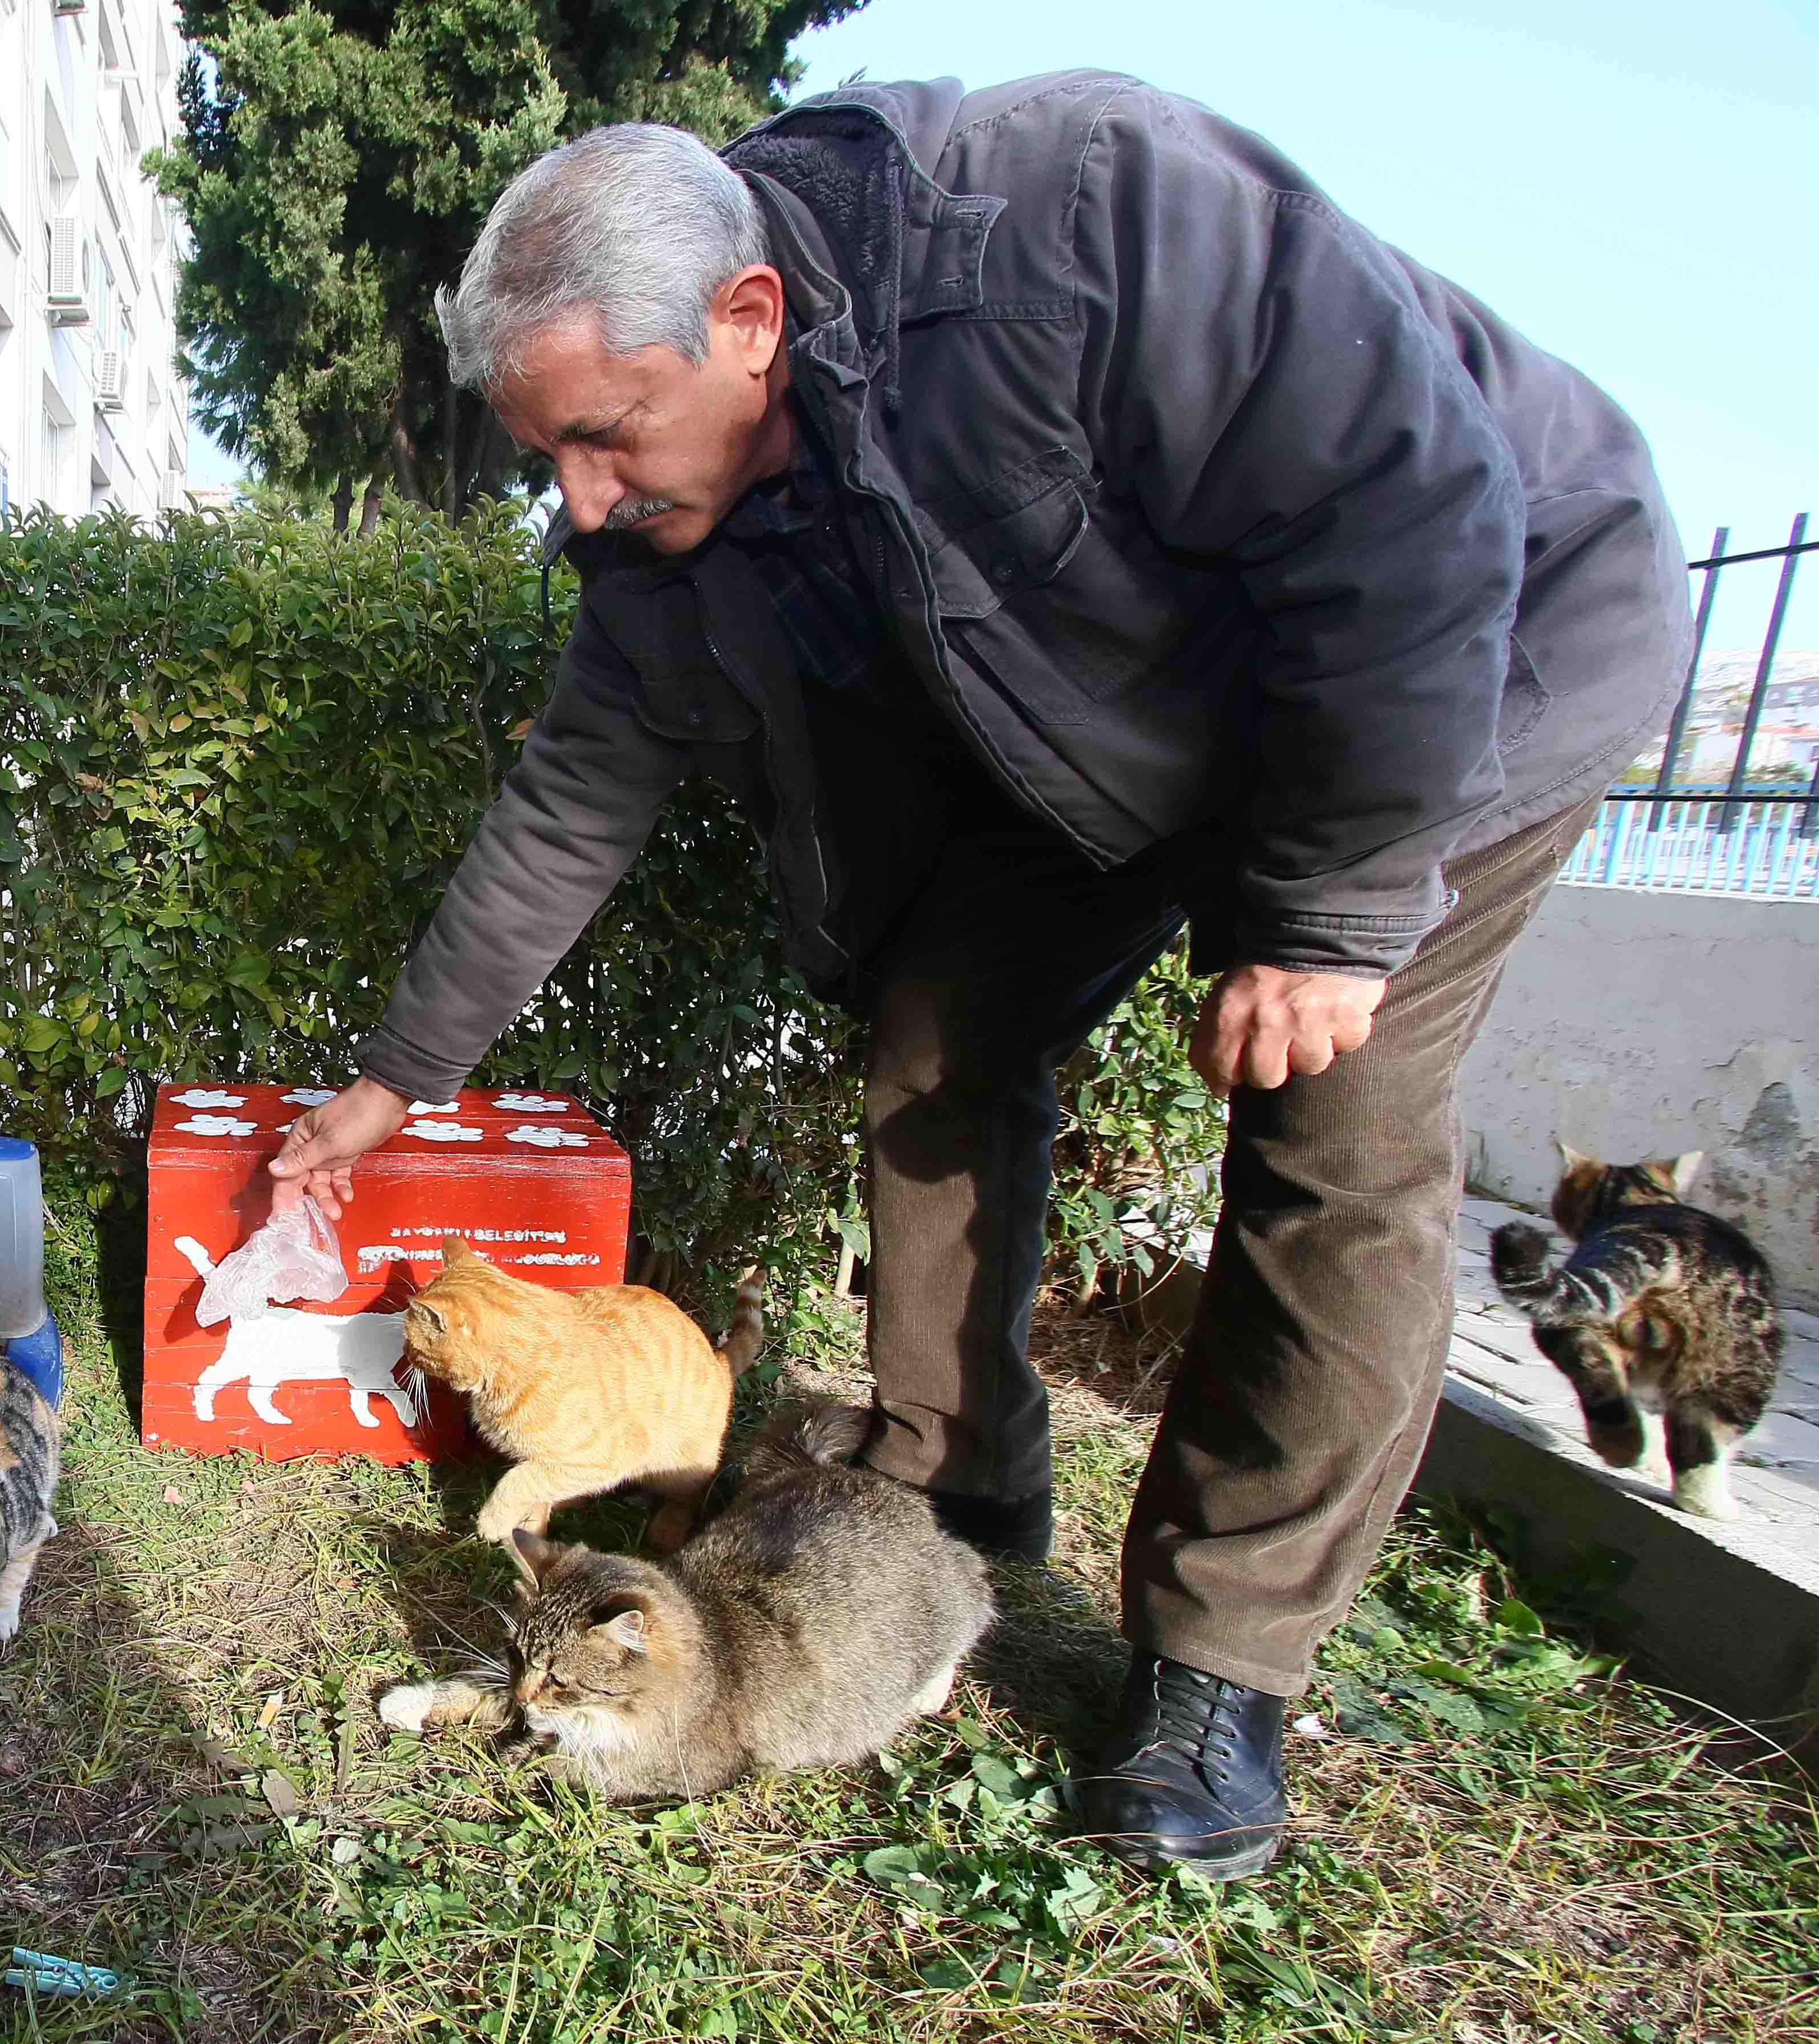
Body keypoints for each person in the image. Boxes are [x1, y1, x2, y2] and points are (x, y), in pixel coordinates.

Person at [269, 78, 1688, 1881]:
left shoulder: (1079, 217)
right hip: (1140, 717)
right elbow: (572, 798)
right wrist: (401, 1073)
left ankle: (1223, 1663)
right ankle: (958, 1491)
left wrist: (1329, 910)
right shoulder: (659, 513)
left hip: (1476, 645)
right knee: (946, 1030)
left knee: (1330, 1127)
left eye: (609, 438)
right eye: (546, 455)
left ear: (750, 321)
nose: (583, 497)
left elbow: (1407, 509)